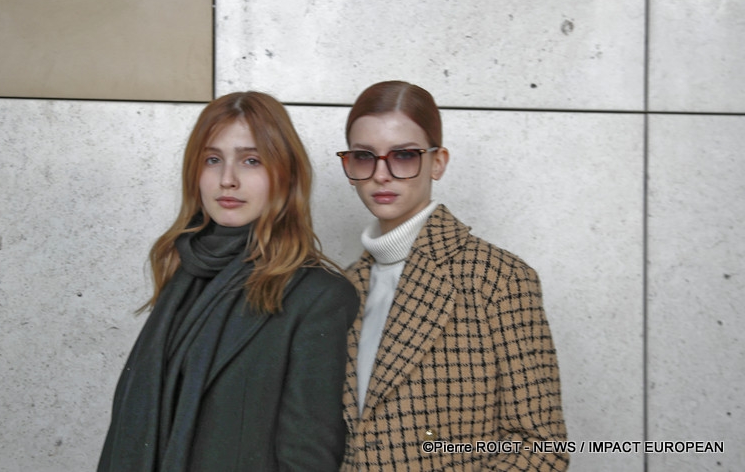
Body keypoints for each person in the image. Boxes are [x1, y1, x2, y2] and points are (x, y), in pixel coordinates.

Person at [98, 91, 359, 472]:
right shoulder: (183, 277)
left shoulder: (319, 297)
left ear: (286, 174)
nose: (227, 180)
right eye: (213, 159)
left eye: (251, 160)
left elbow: (308, 458)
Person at [335, 80, 569, 470]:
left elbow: (541, 447)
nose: (381, 174)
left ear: (438, 162)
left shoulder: (497, 279)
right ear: (348, 166)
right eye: (364, 157)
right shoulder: (340, 288)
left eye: (404, 155)